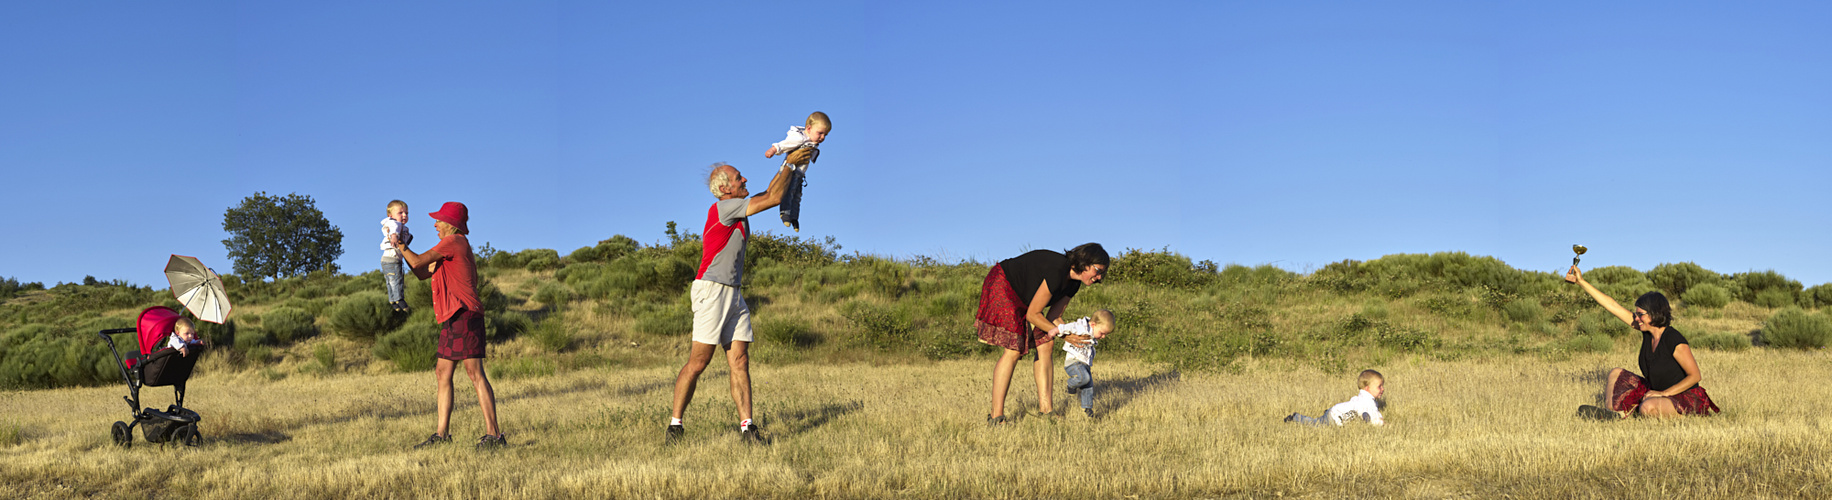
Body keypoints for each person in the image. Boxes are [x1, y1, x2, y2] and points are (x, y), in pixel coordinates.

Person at [669, 149, 816, 445]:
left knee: (739, 359)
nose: (744, 178)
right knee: (699, 362)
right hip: (711, 290)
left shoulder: (735, 205)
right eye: (738, 178)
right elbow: (773, 198)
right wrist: (789, 161)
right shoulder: (724, 208)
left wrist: (795, 166)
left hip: (733, 292)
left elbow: (771, 192)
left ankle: (748, 429)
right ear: (725, 189)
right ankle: (675, 426)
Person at [394, 201, 506, 449]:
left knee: (475, 374)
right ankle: (442, 435)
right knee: (443, 373)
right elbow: (422, 271)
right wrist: (403, 250)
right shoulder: (449, 247)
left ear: (451, 224)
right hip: (452, 316)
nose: (435, 224)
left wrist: (400, 244)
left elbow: (418, 261)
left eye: (438, 220)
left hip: (465, 313)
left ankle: (495, 436)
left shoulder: (453, 242)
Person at [976, 243, 1110, 425]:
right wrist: (1065, 335)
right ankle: (996, 416)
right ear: (1085, 263)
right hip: (1004, 283)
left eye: (1103, 273)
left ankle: (1046, 411)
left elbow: (1054, 317)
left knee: (1047, 343)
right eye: (1098, 271)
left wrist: (1073, 336)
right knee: (1013, 350)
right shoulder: (1057, 270)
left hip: (1028, 299)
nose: (1099, 277)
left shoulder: (1073, 285)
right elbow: (1033, 315)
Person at [1567, 266, 1721, 420]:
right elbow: (1612, 306)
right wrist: (1581, 282)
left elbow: (1695, 376)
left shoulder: (1673, 339)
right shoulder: (1647, 332)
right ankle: (1613, 414)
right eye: (1636, 314)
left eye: (1640, 314)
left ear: (1654, 314)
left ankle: (1687, 416)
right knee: (1615, 373)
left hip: (1684, 396)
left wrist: (1663, 394)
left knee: (1647, 408)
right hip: (1656, 391)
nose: (1636, 318)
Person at [762, 111, 831, 232]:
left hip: (799, 174)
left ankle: (794, 217)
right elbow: (786, 144)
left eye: (825, 135)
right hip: (790, 170)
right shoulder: (799, 138)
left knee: (797, 195)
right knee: (789, 191)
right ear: (809, 128)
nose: (822, 138)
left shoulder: (810, 141)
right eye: (820, 133)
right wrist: (773, 149)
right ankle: (785, 213)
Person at [1059, 309, 1115, 418]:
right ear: (1093, 325)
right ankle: (1071, 384)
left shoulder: (1093, 332)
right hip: (1073, 362)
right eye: (1102, 333)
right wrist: (1055, 330)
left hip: (1084, 364)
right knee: (1085, 378)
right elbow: (1067, 327)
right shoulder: (1080, 327)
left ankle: (1087, 408)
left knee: (1088, 385)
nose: (1103, 337)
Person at [1284, 369, 1387, 426]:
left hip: (1336, 411)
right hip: (1335, 416)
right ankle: (1295, 417)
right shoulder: (1367, 401)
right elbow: (1374, 418)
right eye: (1379, 387)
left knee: (1318, 422)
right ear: (1367, 388)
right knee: (1316, 425)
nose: (1382, 389)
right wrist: (1382, 423)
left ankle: (1325, 412)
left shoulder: (1364, 398)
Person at [380, 200, 414, 312]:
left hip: (386, 259)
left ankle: (393, 301)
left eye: (406, 213)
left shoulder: (402, 227)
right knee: (397, 279)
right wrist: (394, 236)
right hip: (392, 259)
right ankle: (400, 299)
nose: (404, 215)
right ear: (391, 216)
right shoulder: (394, 223)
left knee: (390, 280)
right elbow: (394, 227)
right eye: (400, 213)